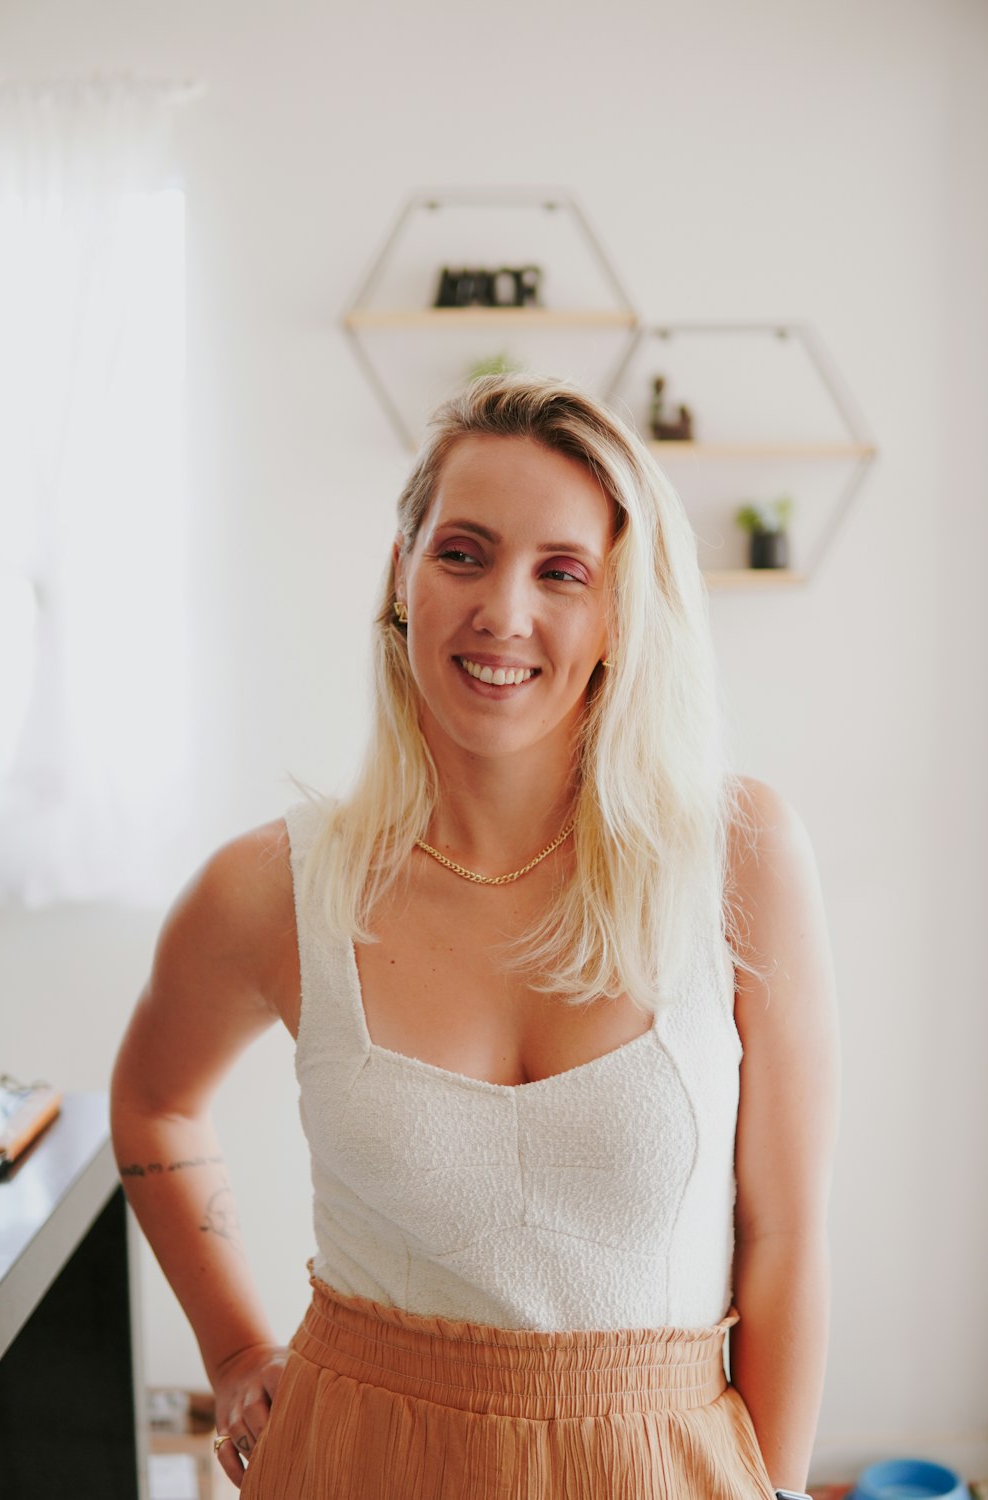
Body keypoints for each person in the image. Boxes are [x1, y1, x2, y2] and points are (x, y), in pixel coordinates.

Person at [111, 373, 839, 1499]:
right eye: (461, 553)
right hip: (353, 1461)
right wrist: (235, 1349)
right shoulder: (272, 886)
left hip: (659, 1465)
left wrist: (782, 1489)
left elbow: (783, 1232)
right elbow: (154, 1098)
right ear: (401, 578)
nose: (502, 610)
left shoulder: (739, 854)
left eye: (561, 573)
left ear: (618, 617)